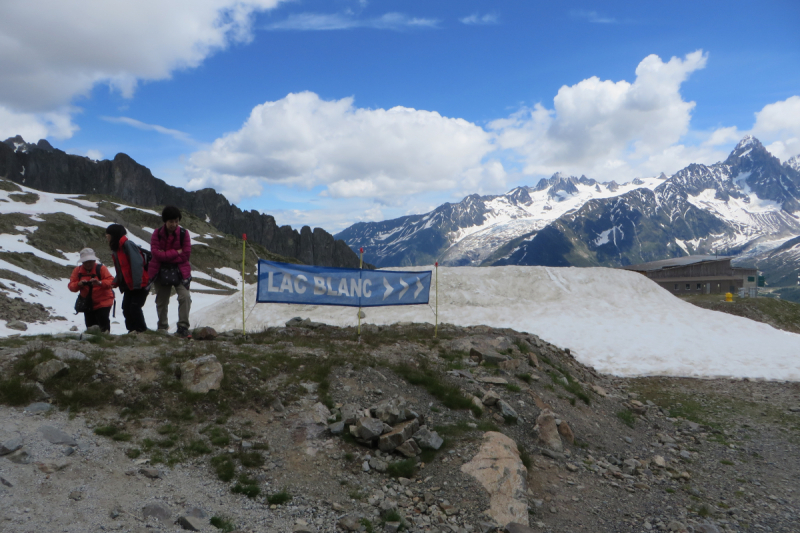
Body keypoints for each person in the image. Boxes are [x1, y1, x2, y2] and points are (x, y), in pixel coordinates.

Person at [149, 205, 192, 337]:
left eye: (176, 221)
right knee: (162, 301)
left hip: (180, 271)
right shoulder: (156, 234)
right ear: (165, 222)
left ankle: (183, 326)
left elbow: (186, 254)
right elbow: (156, 254)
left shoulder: (184, 234)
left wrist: (166, 255)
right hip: (161, 271)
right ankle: (162, 327)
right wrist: (175, 252)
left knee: (185, 297)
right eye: (171, 221)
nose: (174, 224)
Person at [106, 224, 149, 333]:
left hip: (139, 284)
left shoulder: (127, 245)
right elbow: (122, 270)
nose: (107, 237)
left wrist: (137, 283)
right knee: (126, 307)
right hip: (130, 285)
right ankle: (132, 331)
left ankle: (141, 330)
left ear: (113, 235)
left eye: (108, 235)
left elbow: (137, 264)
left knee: (134, 307)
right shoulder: (118, 249)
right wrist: (116, 282)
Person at [67, 248, 115, 332]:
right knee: (90, 326)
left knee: (103, 322)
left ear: (94, 260)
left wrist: (99, 283)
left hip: (104, 301)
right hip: (88, 304)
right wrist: (79, 284)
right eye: (86, 262)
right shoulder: (77, 271)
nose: (88, 264)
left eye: (91, 261)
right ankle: (94, 341)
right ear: (82, 262)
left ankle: (105, 340)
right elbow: (71, 286)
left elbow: (112, 282)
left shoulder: (101, 269)